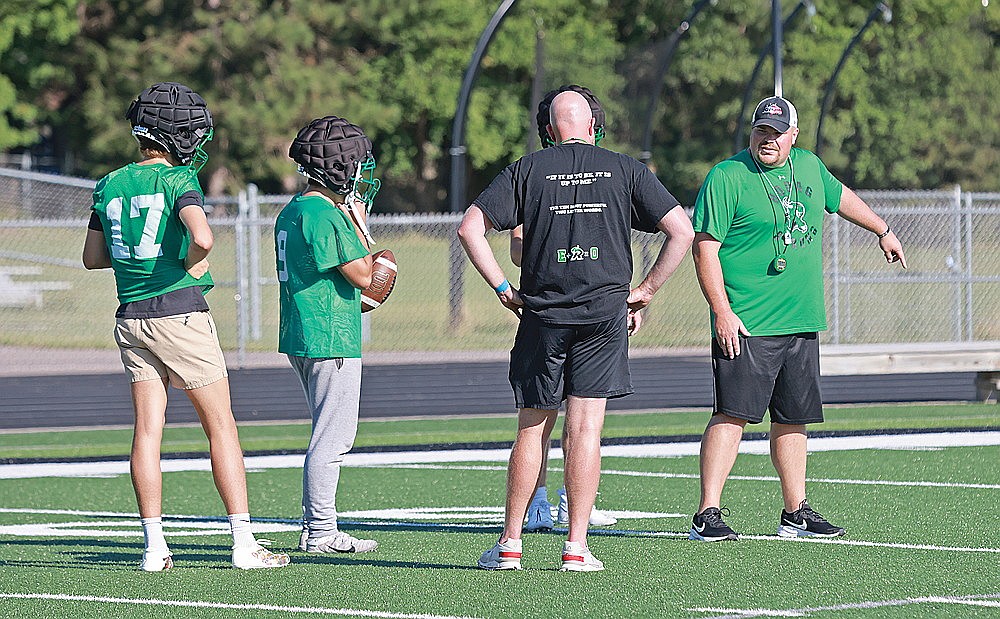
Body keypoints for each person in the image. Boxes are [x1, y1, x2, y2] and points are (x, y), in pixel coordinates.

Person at [459, 89, 694, 571]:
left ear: (549, 131)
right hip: (604, 315)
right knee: (586, 430)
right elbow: (683, 231)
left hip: (542, 315)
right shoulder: (624, 168)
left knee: (532, 429)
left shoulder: (527, 168)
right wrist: (645, 289)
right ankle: (576, 548)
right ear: (593, 128)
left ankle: (509, 547)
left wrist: (504, 287)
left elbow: (469, 228)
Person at [82, 82, 289, 571]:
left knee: (147, 433)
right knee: (221, 428)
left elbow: (93, 257)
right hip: (179, 312)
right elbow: (202, 236)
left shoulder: (109, 183)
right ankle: (243, 543)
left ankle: (154, 548)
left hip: (131, 318)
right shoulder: (177, 181)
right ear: (176, 135)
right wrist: (187, 262)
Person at [689, 96, 907, 541]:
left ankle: (795, 512)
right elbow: (704, 248)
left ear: (794, 134)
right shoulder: (727, 176)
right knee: (732, 415)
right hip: (748, 321)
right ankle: (706, 513)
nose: (767, 140)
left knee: (793, 417)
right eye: (760, 132)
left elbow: (840, 197)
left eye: (776, 133)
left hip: (800, 319)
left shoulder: (808, 166)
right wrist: (722, 311)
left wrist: (882, 229)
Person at [513, 85, 616, 533]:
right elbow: (519, 248)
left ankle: (567, 508)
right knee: (550, 420)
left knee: (568, 422)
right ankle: (541, 503)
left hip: (588, 305)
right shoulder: (538, 173)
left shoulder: (606, 172)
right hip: (554, 305)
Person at [276, 116, 380, 555]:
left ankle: (316, 527)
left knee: (325, 432)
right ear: (340, 168)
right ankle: (320, 530)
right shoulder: (323, 213)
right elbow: (363, 274)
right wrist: (359, 223)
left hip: (302, 331)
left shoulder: (293, 209)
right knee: (332, 438)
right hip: (329, 334)